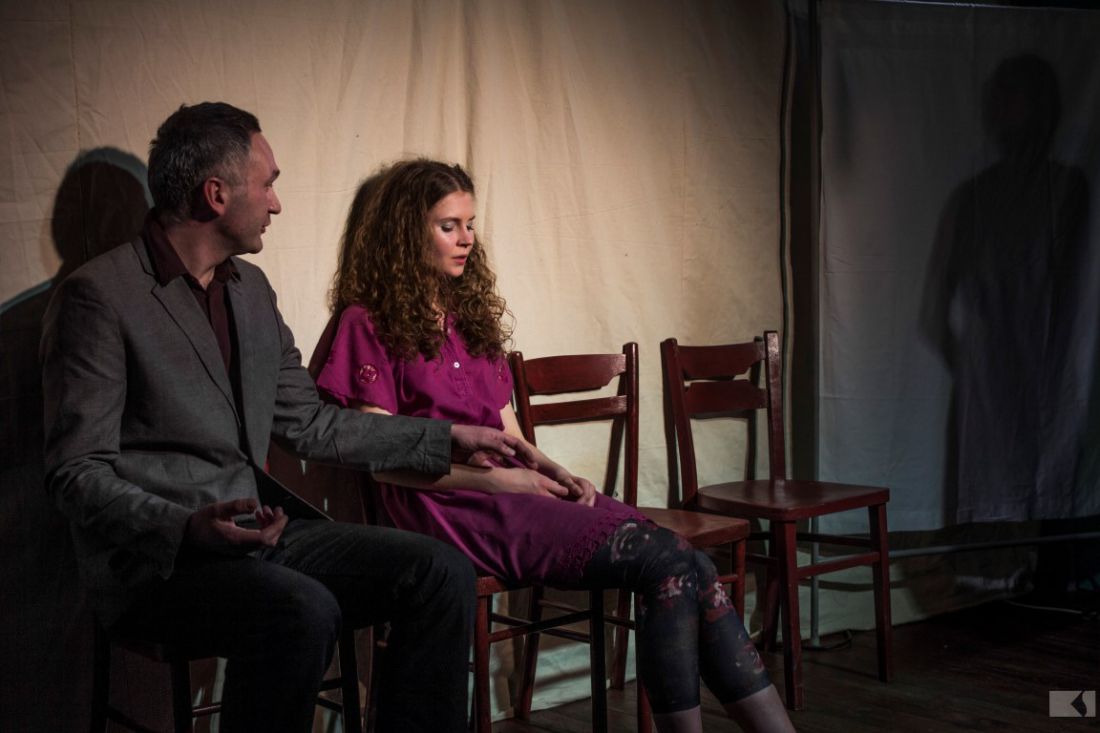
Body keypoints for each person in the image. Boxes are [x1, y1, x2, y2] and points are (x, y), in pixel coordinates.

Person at [40, 104, 537, 733]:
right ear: (216, 195)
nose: (276, 203)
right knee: (303, 609)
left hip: (262, 534)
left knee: (440, 571)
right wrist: (185, 527)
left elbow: (311, 424)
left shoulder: (250, 290)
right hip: (160, 564)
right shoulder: (100, 297)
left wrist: (446, 437)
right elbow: (76, 473)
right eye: (268, 184)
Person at [314, 159, 797, 733]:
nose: (467, 238)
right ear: (404, 233)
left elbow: (510, 431)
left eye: (470, 223)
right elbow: (382, 461)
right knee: (666, 561)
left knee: (692, 562)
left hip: (511, 493)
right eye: (449, 226)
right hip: (445, 508)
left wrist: (556, 474)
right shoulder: (365, 322)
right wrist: (499, 482)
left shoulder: (463, 313)